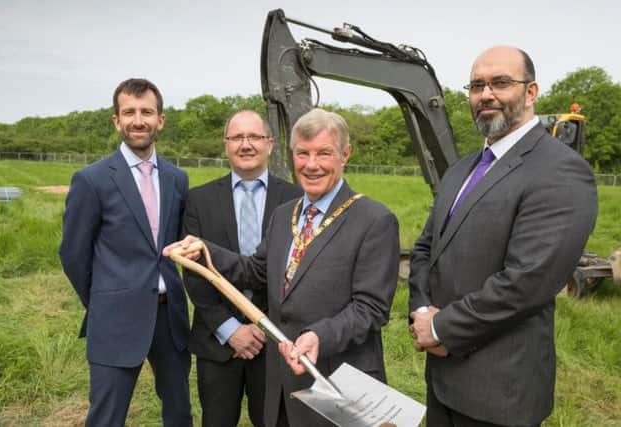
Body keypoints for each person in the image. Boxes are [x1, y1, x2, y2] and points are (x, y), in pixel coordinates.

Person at [165, 108, 400, 427]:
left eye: (323, 153)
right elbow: (256, 271)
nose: (311, 164)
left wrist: (318, 335)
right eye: (302, 153)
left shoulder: (374, 219)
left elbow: (371, 308)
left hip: (337, 375)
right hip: (282, 378)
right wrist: (206, 250)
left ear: (345, 154)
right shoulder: (285, 215)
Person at [408, 46, 598, 427]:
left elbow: (528, 281)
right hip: (442, 380)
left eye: (500, 83)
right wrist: (422, 309)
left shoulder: (560, 171)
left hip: (499, 394)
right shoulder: (461, 170)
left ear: (531, 92)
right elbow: (427, 248)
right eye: (477, 85)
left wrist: (443, 327)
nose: (486, 95)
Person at [59, 78, 192, 426]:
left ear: (160, 120)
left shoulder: (177, 179)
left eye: (147, 112)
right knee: (106, 416)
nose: (138, 120)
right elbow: (74, 255)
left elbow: (177, 244)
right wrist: (106, 299)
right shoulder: (92, 179)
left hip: (169, 318)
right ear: (116, 121)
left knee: (179, 412)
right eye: (129, 112)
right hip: (115, 319)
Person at [182, 110, 302, 427]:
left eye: (254, 137)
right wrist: (230, 329)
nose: (245, 144)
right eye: (237, 137)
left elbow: (299, 271)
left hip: (276, 341)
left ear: (270, 144)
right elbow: (194, 274)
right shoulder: (198, 200)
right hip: (217, 341)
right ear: (226, 145)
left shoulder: (296, 199)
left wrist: (264, 328)